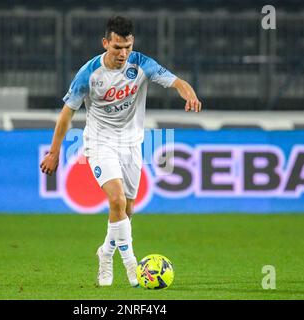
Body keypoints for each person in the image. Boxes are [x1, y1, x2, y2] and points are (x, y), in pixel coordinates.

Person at [40, 16, 201, 287]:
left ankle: (106, 252)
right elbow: (67, 114)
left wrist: (189, 93)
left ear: (132, 42)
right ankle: (131, 267)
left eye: (127, 46)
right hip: (100, 143)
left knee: (125, 210)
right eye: (117, 47)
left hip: (131, 145)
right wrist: (54, 152)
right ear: (105, 43)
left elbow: (176, 81)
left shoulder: (141, 64)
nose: (123, 53)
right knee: (115, 201)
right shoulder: (88, 74)